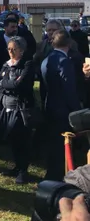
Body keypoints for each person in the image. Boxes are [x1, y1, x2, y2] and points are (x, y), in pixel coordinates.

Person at [41, 30, 81, 181]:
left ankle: (51, 172)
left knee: (52, 143)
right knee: (62, 145)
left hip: (50, 104)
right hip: (63, 109)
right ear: (69, 43)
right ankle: (59, 175)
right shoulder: (64, 62)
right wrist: (77, 110)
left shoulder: (46, 59)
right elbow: (69, 89)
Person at [0, 36, 35, 184]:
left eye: (14, 49)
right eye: (9, 49)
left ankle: (23, 171)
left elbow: (20, 86)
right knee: (12, 139)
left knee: (21, 139)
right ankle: (17, 166)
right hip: (6, 107)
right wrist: (9, 85)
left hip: (20, 109)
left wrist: (6, 85)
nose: (10, 52)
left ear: (22, 51)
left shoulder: (27, 65)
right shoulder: (6, 65)